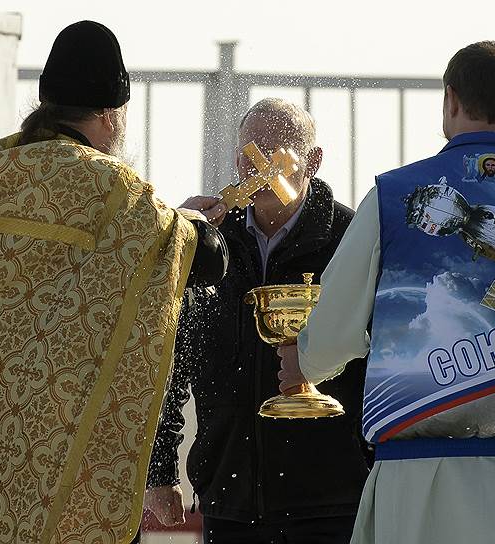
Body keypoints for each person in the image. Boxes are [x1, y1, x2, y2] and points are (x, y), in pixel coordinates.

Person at [278, 41, 495, 544]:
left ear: (449, 99)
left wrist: (304, 362)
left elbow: (335, 324)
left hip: (413, 468)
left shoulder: (393, 196)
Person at [0, 21, 227, 544]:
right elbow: (207, 261)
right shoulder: (114, 193)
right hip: (58, 462)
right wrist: (190, 225)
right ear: (112, 115)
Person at [144, 98, 371, 544]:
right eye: (250, 152)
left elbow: (378, 358)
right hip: (230, 493)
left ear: (314, 161)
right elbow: (173, 354)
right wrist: (160, 467)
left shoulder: (351, 239)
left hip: (330, 496)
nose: (261, 165)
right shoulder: (208, 244)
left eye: (277, 150)